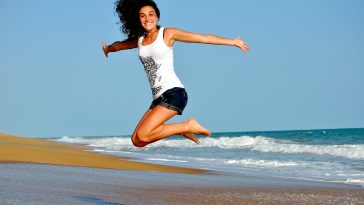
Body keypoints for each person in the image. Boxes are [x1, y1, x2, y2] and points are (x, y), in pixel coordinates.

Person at [102, 0, 249, 147]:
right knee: (137, 140)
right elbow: (121, 45)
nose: (147, 19)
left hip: (174, 94)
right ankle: (182, 129)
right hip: (158, 98)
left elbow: (202, 38)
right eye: (142, 16)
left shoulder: (167, 34)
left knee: (143, 134)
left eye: (151, 14)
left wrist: (232, 41)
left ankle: (187, 126)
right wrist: (108, 48)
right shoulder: (140, 40)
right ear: (138, 19)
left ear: (157, 17)